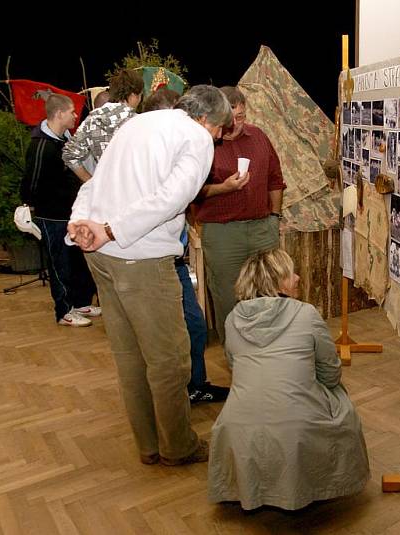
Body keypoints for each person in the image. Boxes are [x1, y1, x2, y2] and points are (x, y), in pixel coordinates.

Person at [67, 85, 234, 465]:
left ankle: (149, 445)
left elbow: (93, 182)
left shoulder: (136, 124)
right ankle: (178, 446)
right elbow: (172, 199)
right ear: (205, 119)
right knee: (170, 359)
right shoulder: (196, 137)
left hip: (101, 257)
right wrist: (110, 229)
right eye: (220, 128)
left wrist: (81, 223)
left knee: (130, 357)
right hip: (138, 258)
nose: (221, 137)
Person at [207, 249, 370, 510]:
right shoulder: (306, 314)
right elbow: (330, 373)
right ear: (276, 282)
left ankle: (255, 489)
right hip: (297, 424)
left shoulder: (232, 318)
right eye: (290, 273)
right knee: (340, 400)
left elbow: (235, 365)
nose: (297, 278)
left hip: (238, 424)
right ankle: (314, 482)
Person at [141, 87, 229, 404]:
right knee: (177, 334)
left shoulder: (178, 150)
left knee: (194, 326)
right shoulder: (152, 154)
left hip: (172, 259)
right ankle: (176, 395)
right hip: (155, 262)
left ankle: (194, 385)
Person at [194, 86, 286, 344]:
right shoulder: (203, 143)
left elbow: (276, 180)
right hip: (222, 233)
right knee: (227, 295)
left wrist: (274, 218)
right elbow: (191, 192)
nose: (236, 123)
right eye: (231, 117)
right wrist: (224, 188)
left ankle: (270, 350)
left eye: (242, 116)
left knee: (270, 291)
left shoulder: (258, 136)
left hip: (262, 229)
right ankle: (236, 356)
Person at [20, 93, 99, 327]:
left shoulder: (65, 140)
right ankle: (64, 311)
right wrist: (29, 207)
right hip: (51, 215)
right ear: (59, 114)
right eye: (72, 112)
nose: (76, 116)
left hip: (70, 214)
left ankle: (80, 302)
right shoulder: (41, 146)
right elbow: (30, 183)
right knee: (59, 264)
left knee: (77, 262)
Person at [62, 69, 144, 181]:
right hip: (134, 189)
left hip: (105, 190)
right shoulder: (139, 123)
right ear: (134, 94)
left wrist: (92, 183)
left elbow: (70, 154)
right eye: (140, 95)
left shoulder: (92, 120)